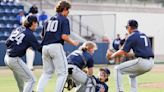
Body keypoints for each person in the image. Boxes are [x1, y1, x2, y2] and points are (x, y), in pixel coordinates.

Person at [36, 1, 79, 92]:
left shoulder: (48, 19)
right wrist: (73, 43)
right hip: (55, 46)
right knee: (63, 73)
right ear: (64, 9)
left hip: (45, 47)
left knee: (47, 73)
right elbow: (64, 36)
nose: (68, 12)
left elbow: (42, 35)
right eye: (68, 10)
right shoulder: (64, 19)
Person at [106, 19, 154, 92]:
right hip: (151, 63)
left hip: (142, 62)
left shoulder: (132, 36)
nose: (126, 29)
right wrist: (120, 53)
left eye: (126, 27)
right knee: (132, 75)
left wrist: (112, 56)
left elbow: (122, 51)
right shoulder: (144, 35)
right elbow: (132, 53)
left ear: (129, 27)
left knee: (117, 69)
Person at [4, 15, 42, 92]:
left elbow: (7, 43)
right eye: (36, 23)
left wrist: (19, 45)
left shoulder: (18, 29)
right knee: (31, 80)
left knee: (21, 82)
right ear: (33, 23)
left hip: (6, 57)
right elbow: (39, 49)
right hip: (14, 59)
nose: (37, 25)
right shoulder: (29, 34)